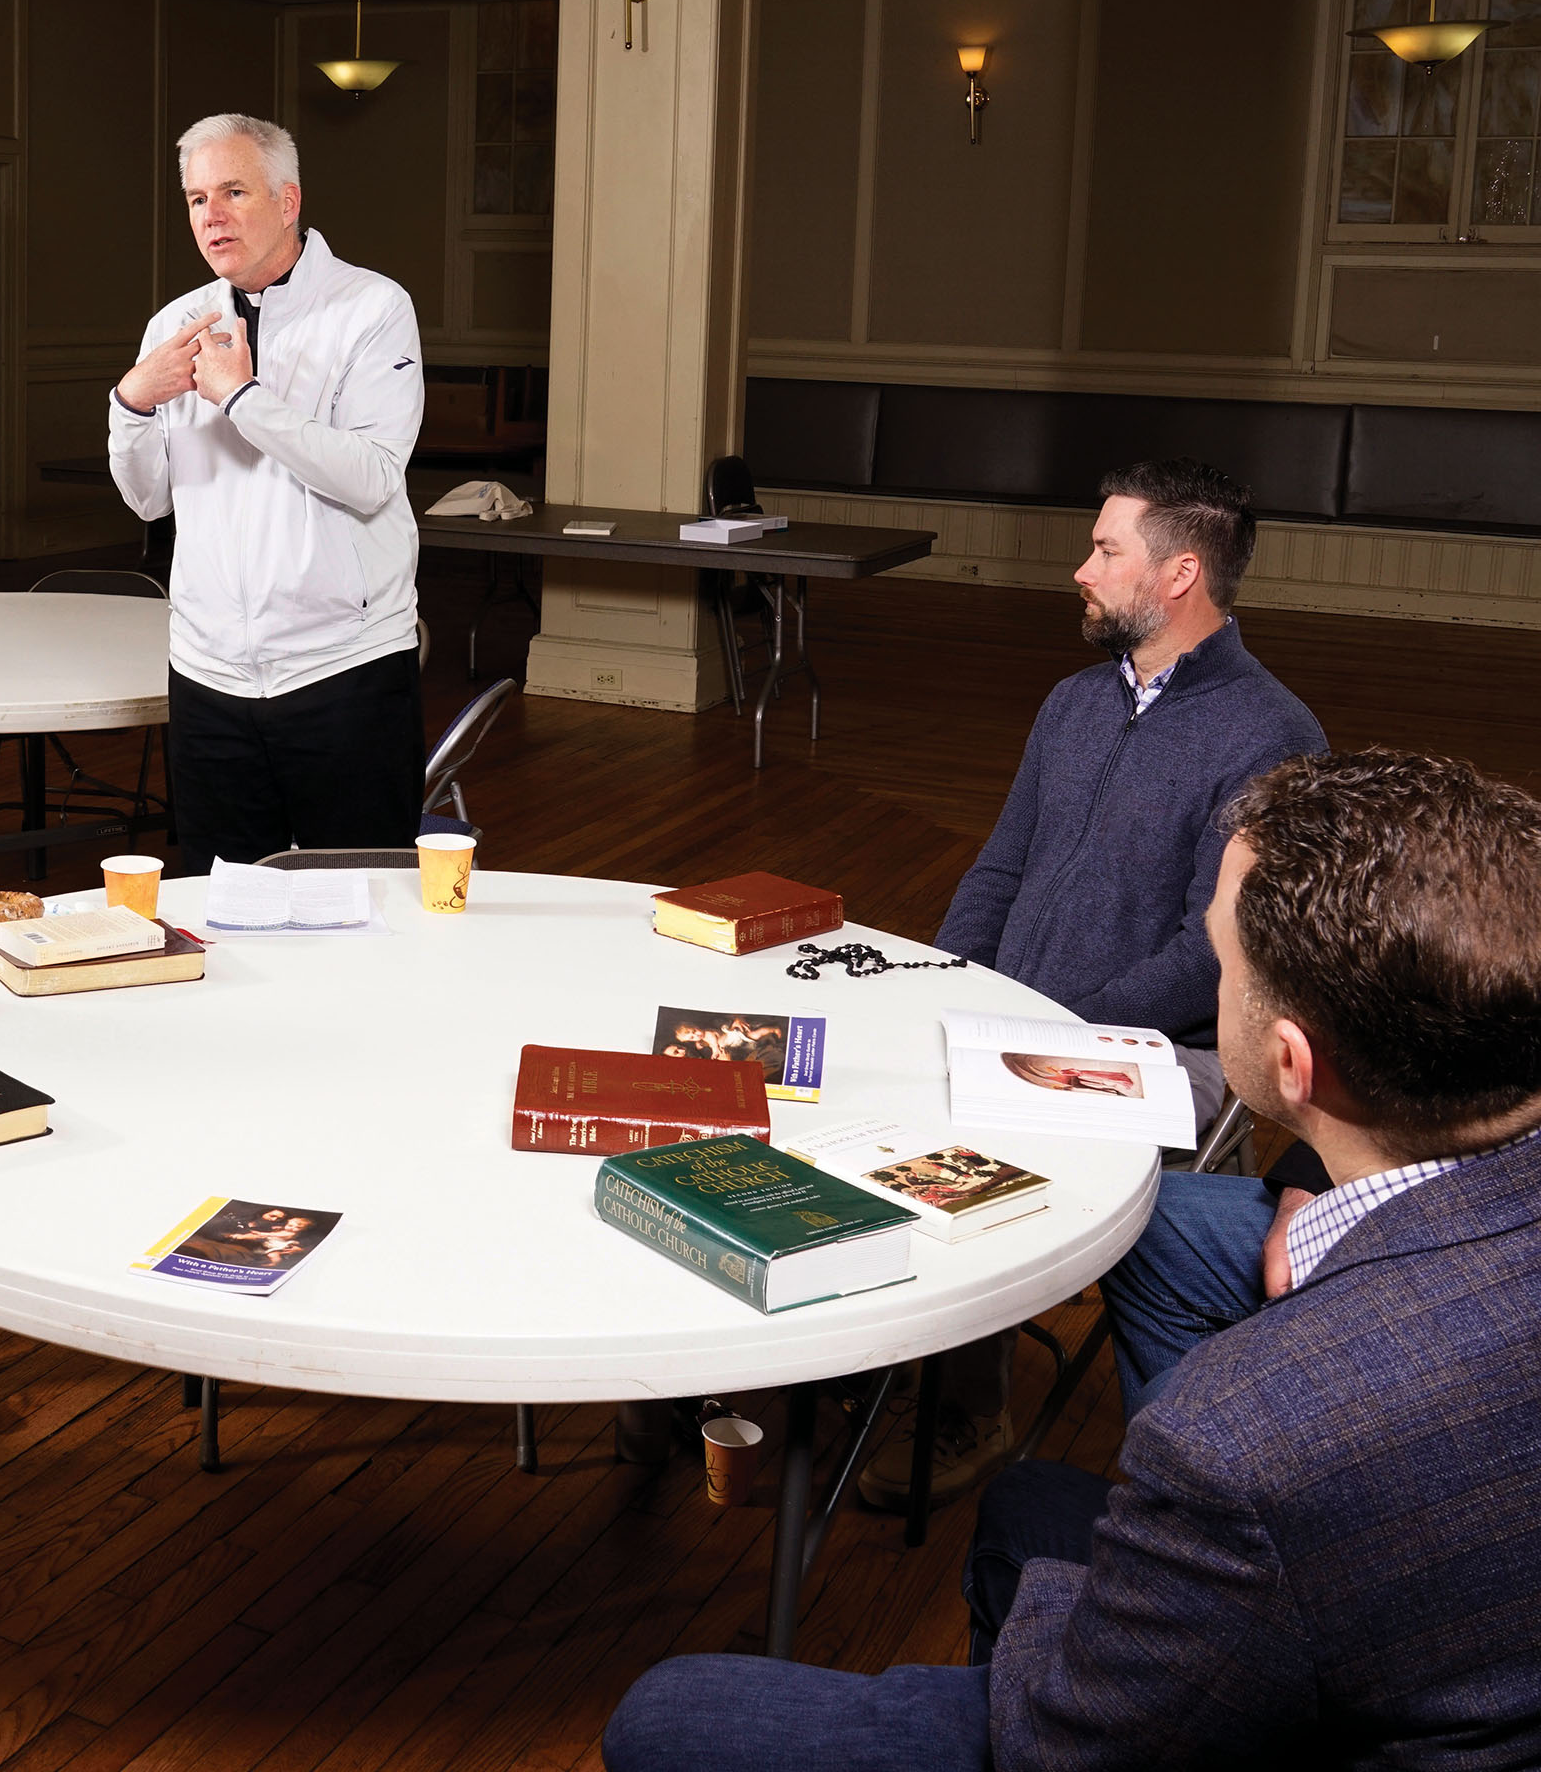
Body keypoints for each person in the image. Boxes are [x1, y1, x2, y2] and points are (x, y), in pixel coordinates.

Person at [603, 746, 1541, 1772]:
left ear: (1290, 1060)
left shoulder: (1238, 1435)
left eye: (1223, 964)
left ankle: (1184, 1567)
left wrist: (1103, 1598)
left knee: (666, 1713)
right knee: (1028, 1504)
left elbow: (1067, 1744)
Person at [867, 458, 1325, 1510]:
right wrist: (944, 989)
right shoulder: (1073, 702)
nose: (1081, 569)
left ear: (1180, 572)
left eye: (1106, 549)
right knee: (866, 1076)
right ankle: (871, 1349)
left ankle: (968, 1407)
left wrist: (1039, 1031)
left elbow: (1213, 952)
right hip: (1016, 1021)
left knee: (978, 1135)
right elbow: (999, 869)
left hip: (1167, 1050)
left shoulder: (1272, 733)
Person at [106, 112, 426, 866]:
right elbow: (148, 499)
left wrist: (242, 398)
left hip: (343, 665)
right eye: (196, 199)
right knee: (219, 905)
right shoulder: (175, 323)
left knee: (359, 900)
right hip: (208, 673)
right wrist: (131, 403)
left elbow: (373, 477)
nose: (210, 216)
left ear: (288, 201)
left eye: (233, 192)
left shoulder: (373, 308)